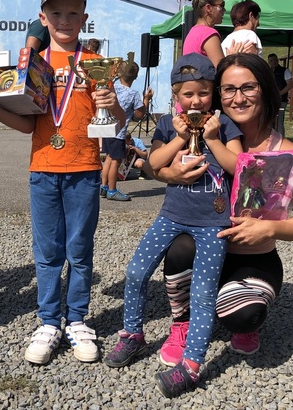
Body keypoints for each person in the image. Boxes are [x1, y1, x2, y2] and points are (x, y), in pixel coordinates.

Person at [0, 0, 124, 365]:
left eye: (72, 13)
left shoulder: (95, 65)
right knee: (48, 252)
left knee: (79, 251)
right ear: (43, 17)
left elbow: (114, 123)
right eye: (56, 13)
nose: (64, 20)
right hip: (43, 169)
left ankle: (78, 320)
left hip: (85, 169)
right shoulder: (33, 66)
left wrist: (114, 104)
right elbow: (27, 125)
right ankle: (50, 321)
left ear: (84, 18)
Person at [156, 53, 293, 395]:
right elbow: (153, 165)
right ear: (216, 94)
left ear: (266, 90)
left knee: (242, 317)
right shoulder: (198, 137)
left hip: (253, 257)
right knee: (178, 248)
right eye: (228, 89)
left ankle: (237, 310)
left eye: (249, 87)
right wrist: (169, 174)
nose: (238, 97)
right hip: (203, 249)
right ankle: (183, 321)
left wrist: (270, 228)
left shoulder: (288, 152)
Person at [104, 53, 242, 399]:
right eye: (187, 94)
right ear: (176, 96)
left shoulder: (224, 124)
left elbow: (238, 165)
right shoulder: (167, 123)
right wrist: (180, 138)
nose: (196, 101)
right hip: (171, 215)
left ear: (213, 93)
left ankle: (192, 364)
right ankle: (133, 335)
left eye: (203, 93)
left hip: (213, 223)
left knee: (203, 293)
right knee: (136, 272)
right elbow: (153, 162)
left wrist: (212, 139)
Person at [100, 62, 152, 201]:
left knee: (108, 158)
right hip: (119, 133)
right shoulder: (133, 94)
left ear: (119, 74)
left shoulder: (112, 88)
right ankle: (112, 190)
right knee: (116, 161)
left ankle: (104, 186)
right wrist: (146, 99)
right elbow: (139, 114)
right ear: (135, 76)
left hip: (107, 130)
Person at [182, 0, 227, 66]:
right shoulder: (209, 34)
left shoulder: (192, 32)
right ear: (209, 8)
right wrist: (233, 57)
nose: (224, 10)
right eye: (222, 5)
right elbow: (221, 70)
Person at [268, 53, 293, 135]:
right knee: (269, 121)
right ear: (268, 62)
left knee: (279, 122)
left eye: (275, 60)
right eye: (271, 60)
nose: (273, 62)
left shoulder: (285, 71)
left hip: (281, 100)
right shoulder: (267, 71)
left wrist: (279, 94)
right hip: (269, 101)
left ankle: (281, 139)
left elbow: (290, 85)